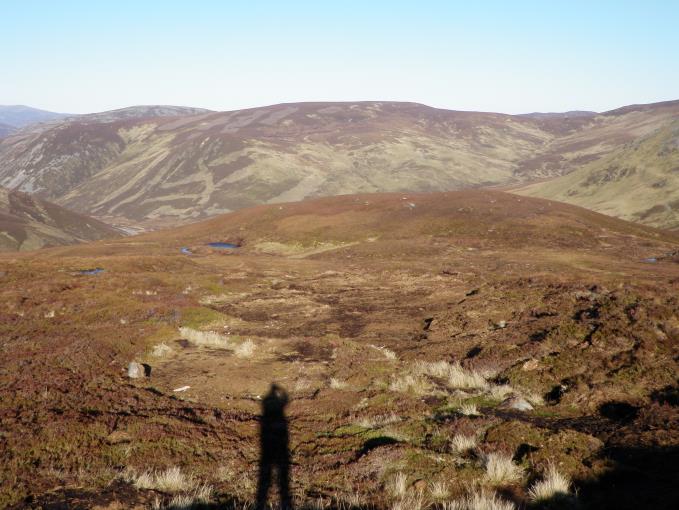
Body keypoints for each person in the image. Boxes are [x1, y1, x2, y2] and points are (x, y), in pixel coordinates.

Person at [255, 383, 292, 510]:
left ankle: (262, 503)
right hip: (277, 446)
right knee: (282, 479)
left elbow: (285, 400)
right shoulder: (276, 409)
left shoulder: (265, 407)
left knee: (266, 478)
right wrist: (282, 390)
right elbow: (286, 399)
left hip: (267, 447)